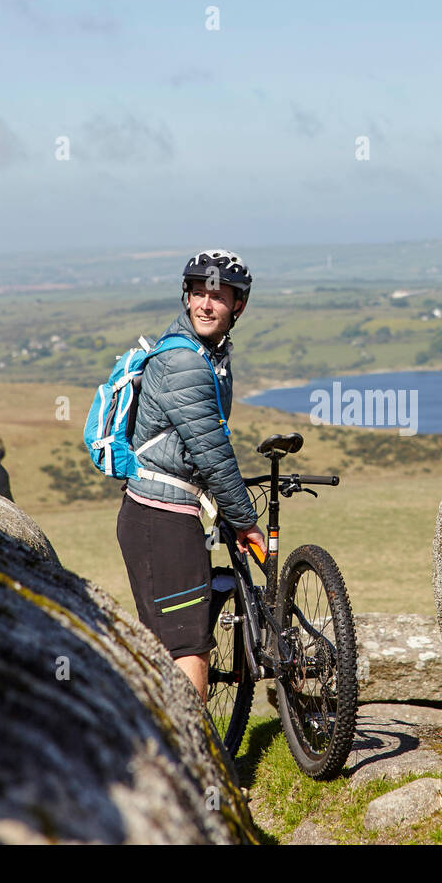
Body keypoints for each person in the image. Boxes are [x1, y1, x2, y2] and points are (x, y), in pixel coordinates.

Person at [116, 249, 267, 703]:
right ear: (186, 298)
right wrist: (244, 520)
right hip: (157, 520)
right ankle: (199, 770)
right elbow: (211, 452)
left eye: (217, 296)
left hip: (170, 515)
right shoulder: (184, 363)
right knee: (188, 648)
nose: (205, 304)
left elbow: (201, 452)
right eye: (198, 293)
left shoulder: (212, 357)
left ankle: (173, 755)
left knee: (172, 643)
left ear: (237, 305)